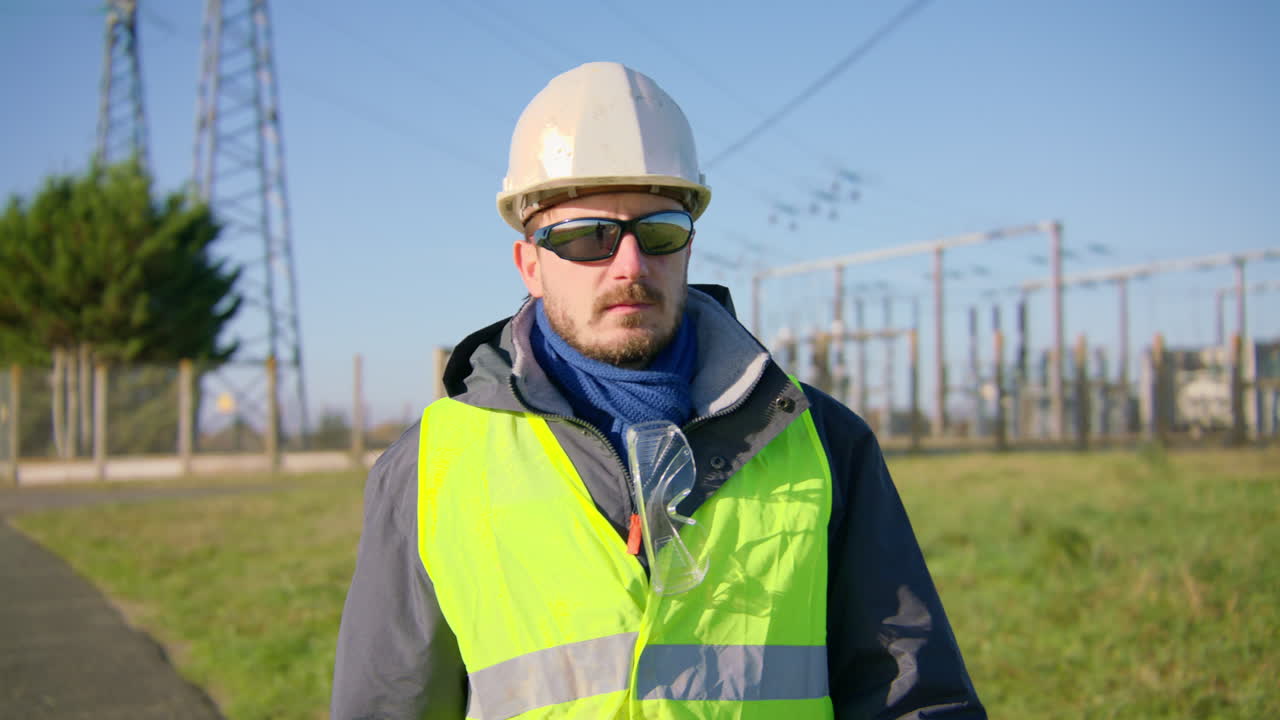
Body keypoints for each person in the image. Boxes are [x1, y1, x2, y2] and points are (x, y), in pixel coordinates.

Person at [331, 61, 986, 720]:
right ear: (530, 263)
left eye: (660, 232)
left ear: (689, 247)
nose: (630, 265)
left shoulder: (823, 444)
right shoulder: (428, 471)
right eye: (587, 237)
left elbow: (915, 700)